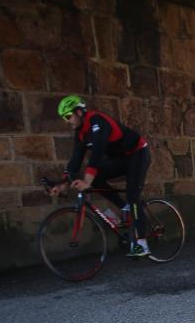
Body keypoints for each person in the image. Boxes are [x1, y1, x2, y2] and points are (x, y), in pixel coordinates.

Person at [51, 95, 152, 258]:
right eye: (64, 118)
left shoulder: (97, 121)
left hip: (137, 154)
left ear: (79, 112)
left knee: (133, 195)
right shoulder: (81, 133)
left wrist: (86, 180)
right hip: (120, 158)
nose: (67, 121)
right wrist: (62, 183)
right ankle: (124, 207)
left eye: (68, 116)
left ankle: (142, 244)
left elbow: (97, 151)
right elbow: (75, 160)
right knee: (96, 177)